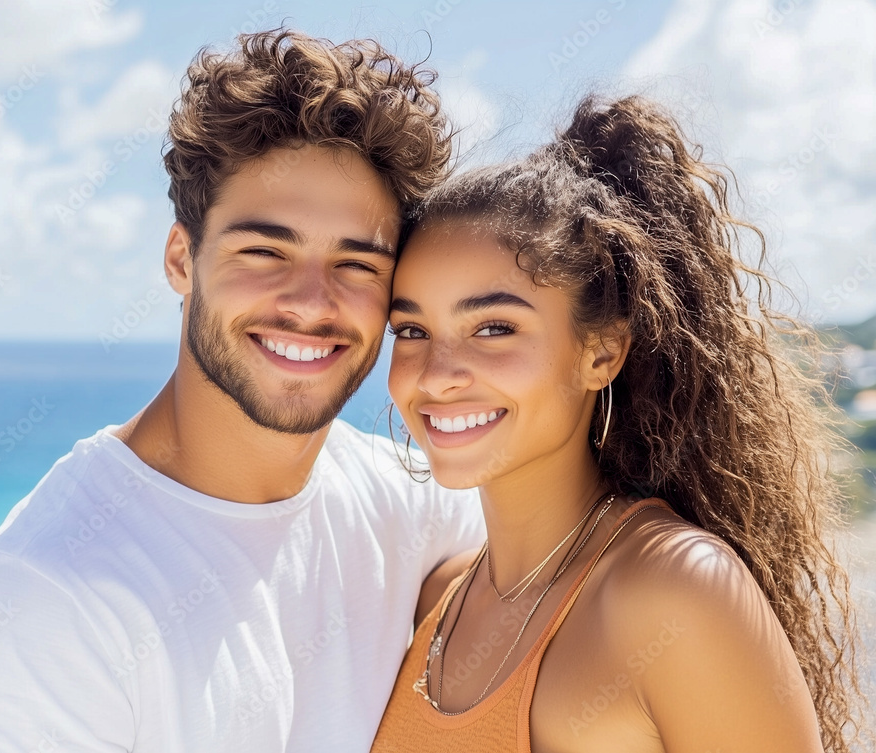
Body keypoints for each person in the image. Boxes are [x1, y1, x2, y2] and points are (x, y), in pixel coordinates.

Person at [0, 31, 485, 752]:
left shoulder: (403, 502)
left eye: (356, 264)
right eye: (265, 251)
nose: (311, 302)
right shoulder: (43, 603)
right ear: (182, 259)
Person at [371, 96, 867, 752]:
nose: (436, 374)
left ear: (601, 351)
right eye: (412, 329)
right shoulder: (435, 600)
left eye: (494, 327)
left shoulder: (674, 590)